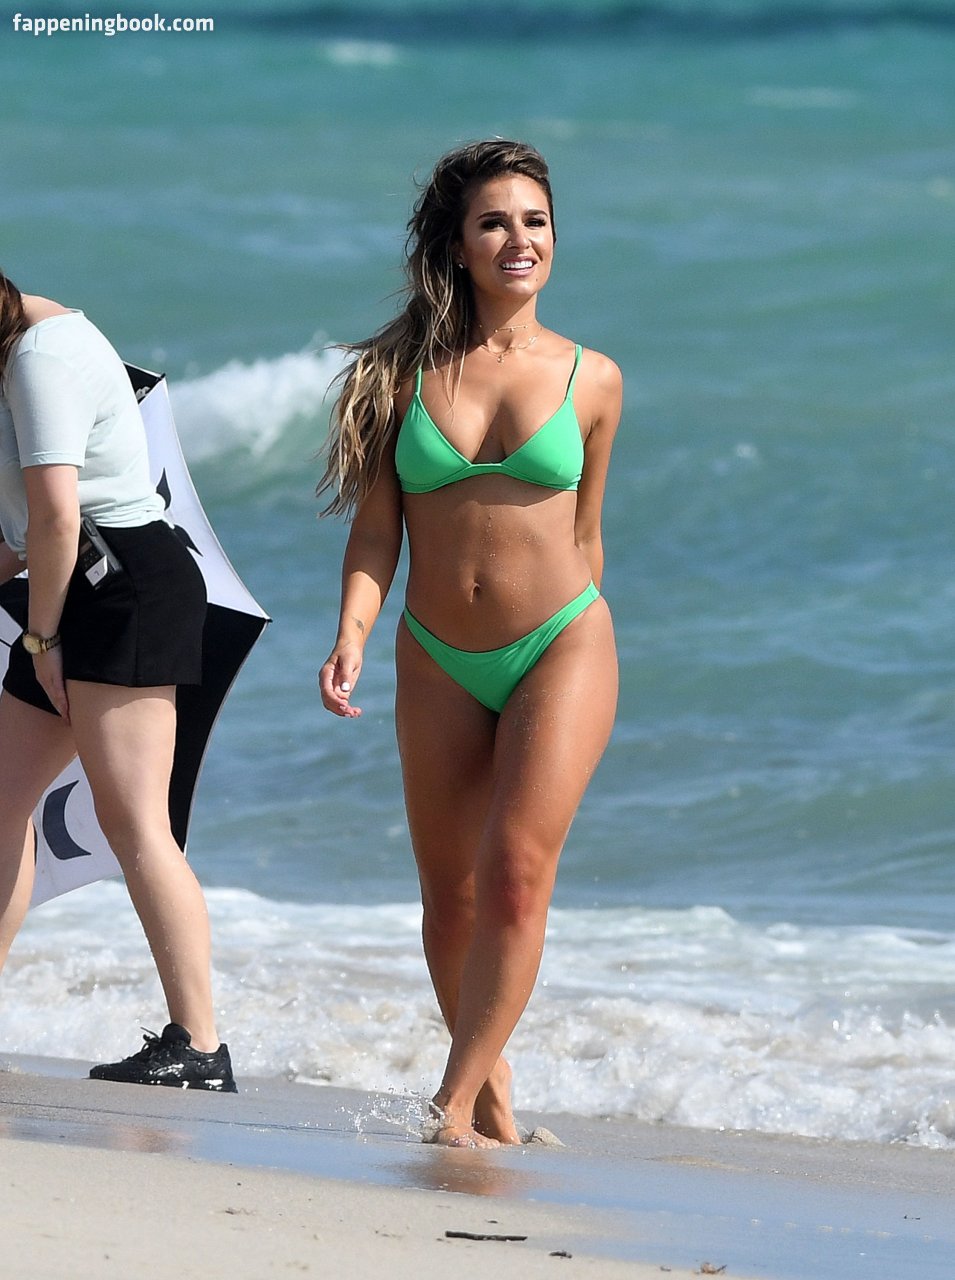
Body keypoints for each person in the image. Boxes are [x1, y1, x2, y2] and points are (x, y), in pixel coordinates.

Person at [317, 140, 621, 1147]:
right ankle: (491, 1097)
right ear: (456, 245)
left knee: (516, 873)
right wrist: (352, 632)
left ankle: (448, 1101)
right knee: (448, 900)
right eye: (493, 222)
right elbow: (376, 533)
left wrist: (583, 660)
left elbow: (586, 535)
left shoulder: (592, 378)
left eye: (534, 221)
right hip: (435, 653)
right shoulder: (395, 375)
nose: (517, 239)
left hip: (560, 643)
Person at [0, 271, 235, 1091]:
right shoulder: (25, 351)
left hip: (122, 589)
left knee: (136, 824)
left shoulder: (43, 356)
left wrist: (42, 637)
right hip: (73, 586)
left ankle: (199, 1046)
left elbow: (59, 517)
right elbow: (26, 534)